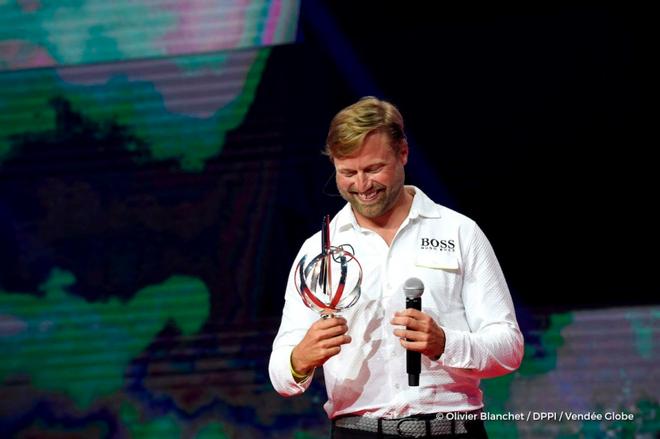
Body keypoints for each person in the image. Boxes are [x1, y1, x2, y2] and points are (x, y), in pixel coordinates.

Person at [269, 96, 524, 438]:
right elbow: (280, 370)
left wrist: (446, 343)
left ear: (403, 152)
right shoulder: (317, 251)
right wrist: (300, 359)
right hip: (356, 431)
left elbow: (509, 348)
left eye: (373, 168)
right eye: (347, 173)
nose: (362, 185)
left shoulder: (459, 232)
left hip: (451, 428)